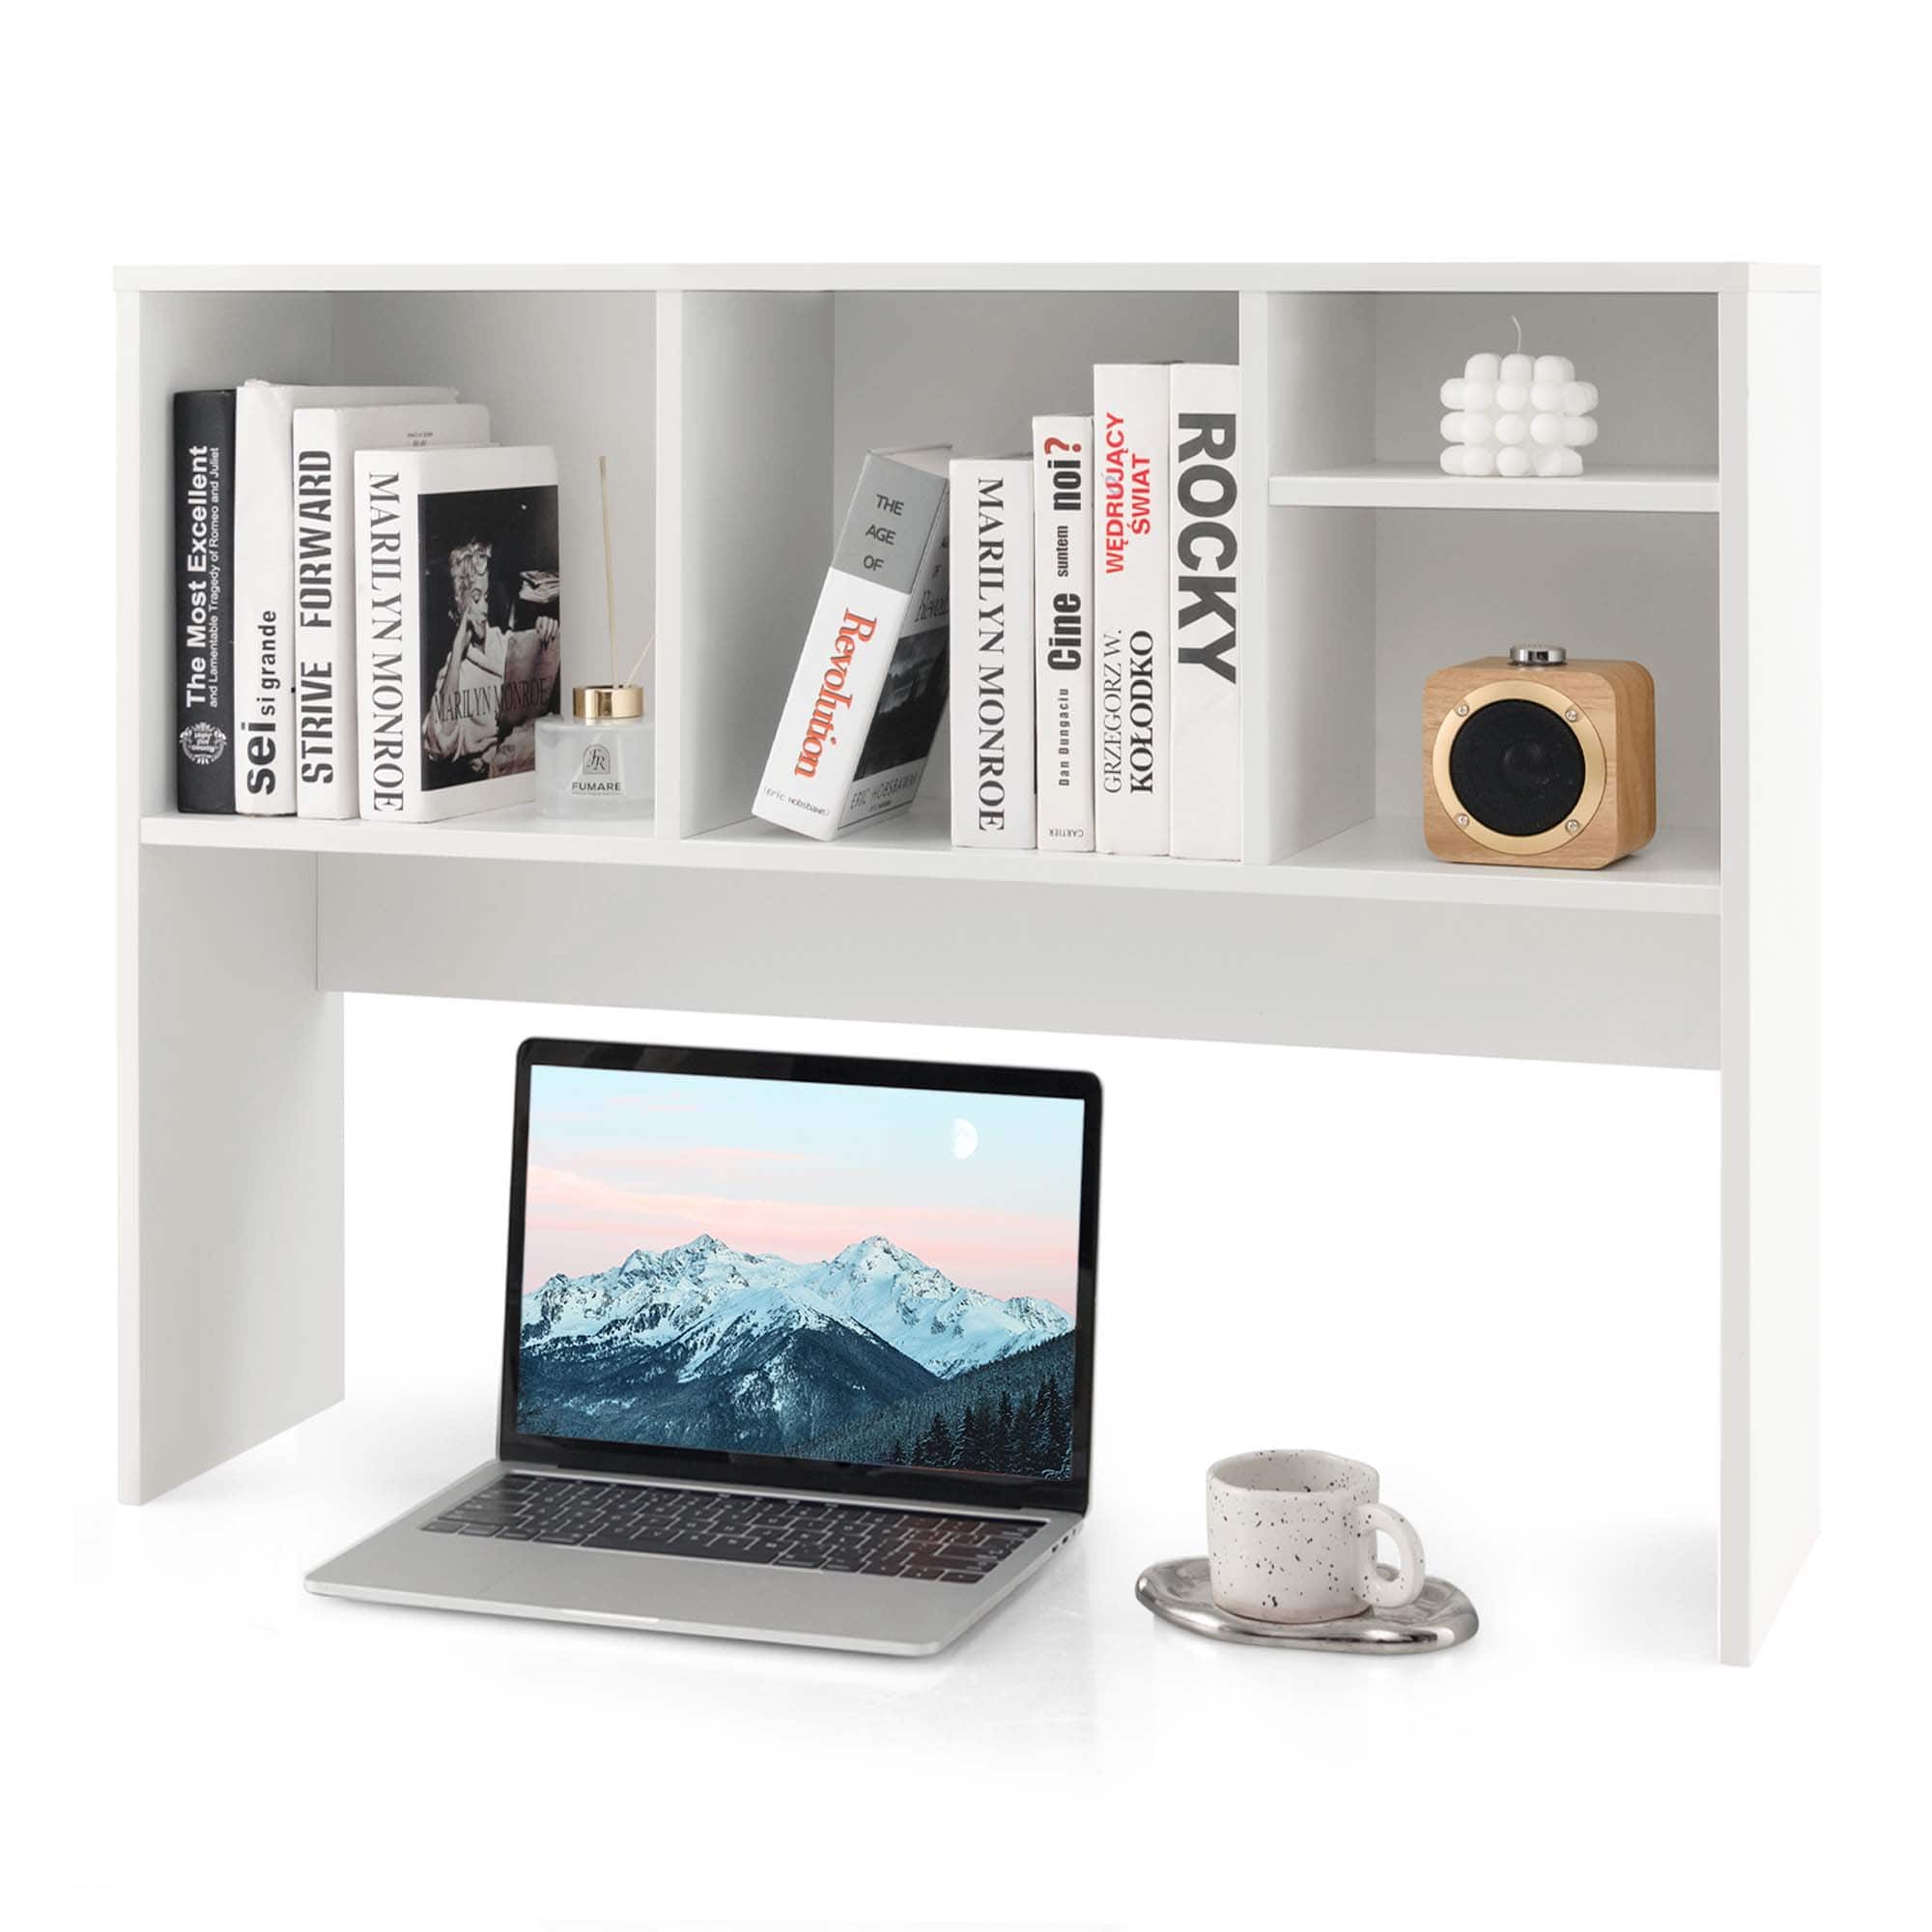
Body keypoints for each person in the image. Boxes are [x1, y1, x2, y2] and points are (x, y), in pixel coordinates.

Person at [422, 542, 560, 780]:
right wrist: (457, 649)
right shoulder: (453, 673)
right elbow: (439, 745)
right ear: (455, 611)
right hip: (496, 776)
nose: (485, 608)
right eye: (475, 599)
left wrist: (544, 630)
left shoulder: (506, 642)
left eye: (486, 596)